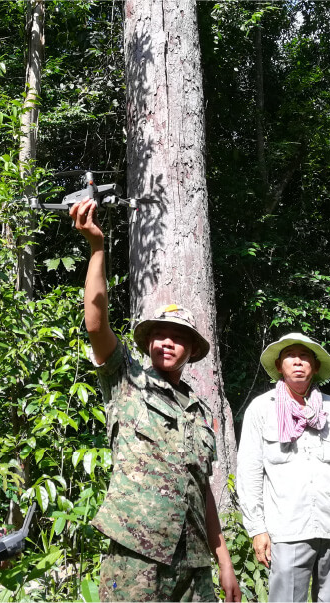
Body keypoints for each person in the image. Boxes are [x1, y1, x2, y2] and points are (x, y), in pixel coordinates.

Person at [69, 199, 240, 602]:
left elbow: (203, 490)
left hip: (194, 561)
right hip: (136, 556)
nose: (168, 341)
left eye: (178, 336)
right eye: (160, 334)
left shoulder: (200, 410)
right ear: (147, 343)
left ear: (190, 350)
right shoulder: (127, 379)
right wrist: (97, 248)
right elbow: (95, 320)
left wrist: (225, 561)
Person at [237, 332, 330, 603]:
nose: (298, 362)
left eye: (305, 357)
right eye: (291, 356)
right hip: (287, 530)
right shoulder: (261, 409)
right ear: (279, 366)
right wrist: (257, 529)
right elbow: (249, 474)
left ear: (315, 366)